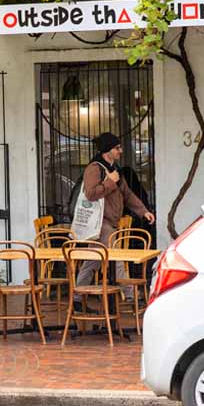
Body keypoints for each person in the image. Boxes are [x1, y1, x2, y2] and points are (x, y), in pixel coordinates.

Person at [73, 132, 155, 309]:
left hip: (109, 223)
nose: (120, 151)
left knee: (92, 260)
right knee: (116, 255)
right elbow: (90, 194)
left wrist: (143, 211)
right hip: (100, 223)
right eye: (117, 148)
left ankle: (77, 298)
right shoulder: (94, 169)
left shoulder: (114, 170)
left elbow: (127, 194)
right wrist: (110, 182)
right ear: (107, 150)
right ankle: (130, 294)